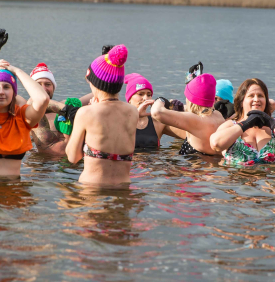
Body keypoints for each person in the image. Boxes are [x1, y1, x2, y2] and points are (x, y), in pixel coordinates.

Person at [65, 45, 138, 185]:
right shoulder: (132, 112)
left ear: (95, 83)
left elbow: (72, 157)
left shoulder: (86, 113)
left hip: (92, 190)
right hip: (123, 191)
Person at [209, 78, 275, 166]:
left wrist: (271, 123)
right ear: (241, 101)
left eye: (260, 96)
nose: (256, 99)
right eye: (251, 96)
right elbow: (216, 145)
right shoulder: (230, 125)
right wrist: (245, 124)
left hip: (272, 178)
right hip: (239, 178)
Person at [151, 72, 223, 155]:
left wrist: (161, 100)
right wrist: (180, 109)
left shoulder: (196, 120)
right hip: (210, 165)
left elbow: (157, 113)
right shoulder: (218, 115)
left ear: (191, 100)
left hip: (193, 166)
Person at [124, 73, 183, 150]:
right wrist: (135, 115)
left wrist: (177, 113)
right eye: (140, 94)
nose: (146, 98)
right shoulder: (120, 121)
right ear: (129, 99)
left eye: (148, 95)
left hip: (153, 161)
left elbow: (190, 136)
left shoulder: (158, 122)